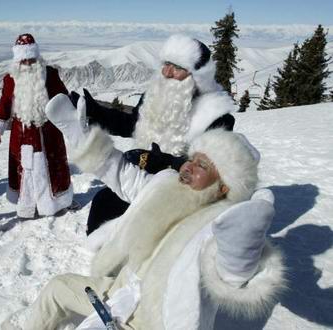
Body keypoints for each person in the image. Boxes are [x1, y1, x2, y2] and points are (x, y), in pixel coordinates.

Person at [0, 98, 286, 329]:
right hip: (119, 293)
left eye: (202, 166)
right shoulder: (167, 185)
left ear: (224, 186)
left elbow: (230, 274)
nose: (187, 167)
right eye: (192, 159)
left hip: (154, 320)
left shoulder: (218, 225)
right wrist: (81, 137)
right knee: (57, 288)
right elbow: (125, 176)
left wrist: (242, 242)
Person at [77, 34, 236, 235]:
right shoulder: (154, 96)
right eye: (166, 64)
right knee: (104, 203)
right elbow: (132, 124)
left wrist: (171, 162)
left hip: (181, 192)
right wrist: (96, 112)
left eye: (177, 67)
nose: (167, 72)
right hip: (143, 178)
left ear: (196, 77)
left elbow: (212, 170)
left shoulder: (216, 117)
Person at [0, 33, 76, 218]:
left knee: (53, 168)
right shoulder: (10, 79)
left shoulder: (49, 74)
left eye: (30, 59)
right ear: (18, 60)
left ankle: (58, 203)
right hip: (22, 134)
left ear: (36, 57)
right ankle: (27, 206)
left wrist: (71, 120)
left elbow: (62, 98)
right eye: (23, 60)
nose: (27, 63)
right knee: (24, 170)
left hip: (48, 132)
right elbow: (4, 103)